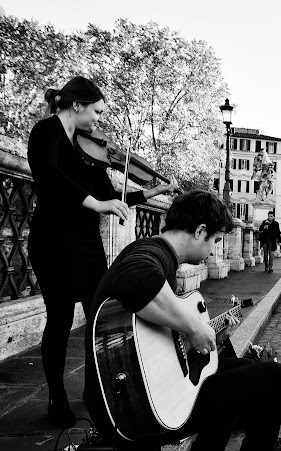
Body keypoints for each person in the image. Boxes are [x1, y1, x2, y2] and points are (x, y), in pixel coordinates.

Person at [84, 190, 281, 451]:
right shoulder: (152, 252)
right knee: (273, 376)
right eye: (215, 240)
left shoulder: (157, 253)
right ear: (200, 231)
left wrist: (201, 338)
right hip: (136, 410)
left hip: (135, 399)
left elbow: (157, 330)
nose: (213, 249)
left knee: (242, 370)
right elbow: (135, 277)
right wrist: (192, 327)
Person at [27, 76, 177, 427]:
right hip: (52, 241)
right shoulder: (45, 132)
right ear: (77, 105)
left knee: (99, 317)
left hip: (86, 246)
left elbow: (114, 197)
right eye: (96, 111)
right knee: (60, 318)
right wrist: (94, 202)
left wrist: (153, 192)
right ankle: (56, 397)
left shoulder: (89, 152)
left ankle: (95, 390)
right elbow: (47, 175)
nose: (98, 119)